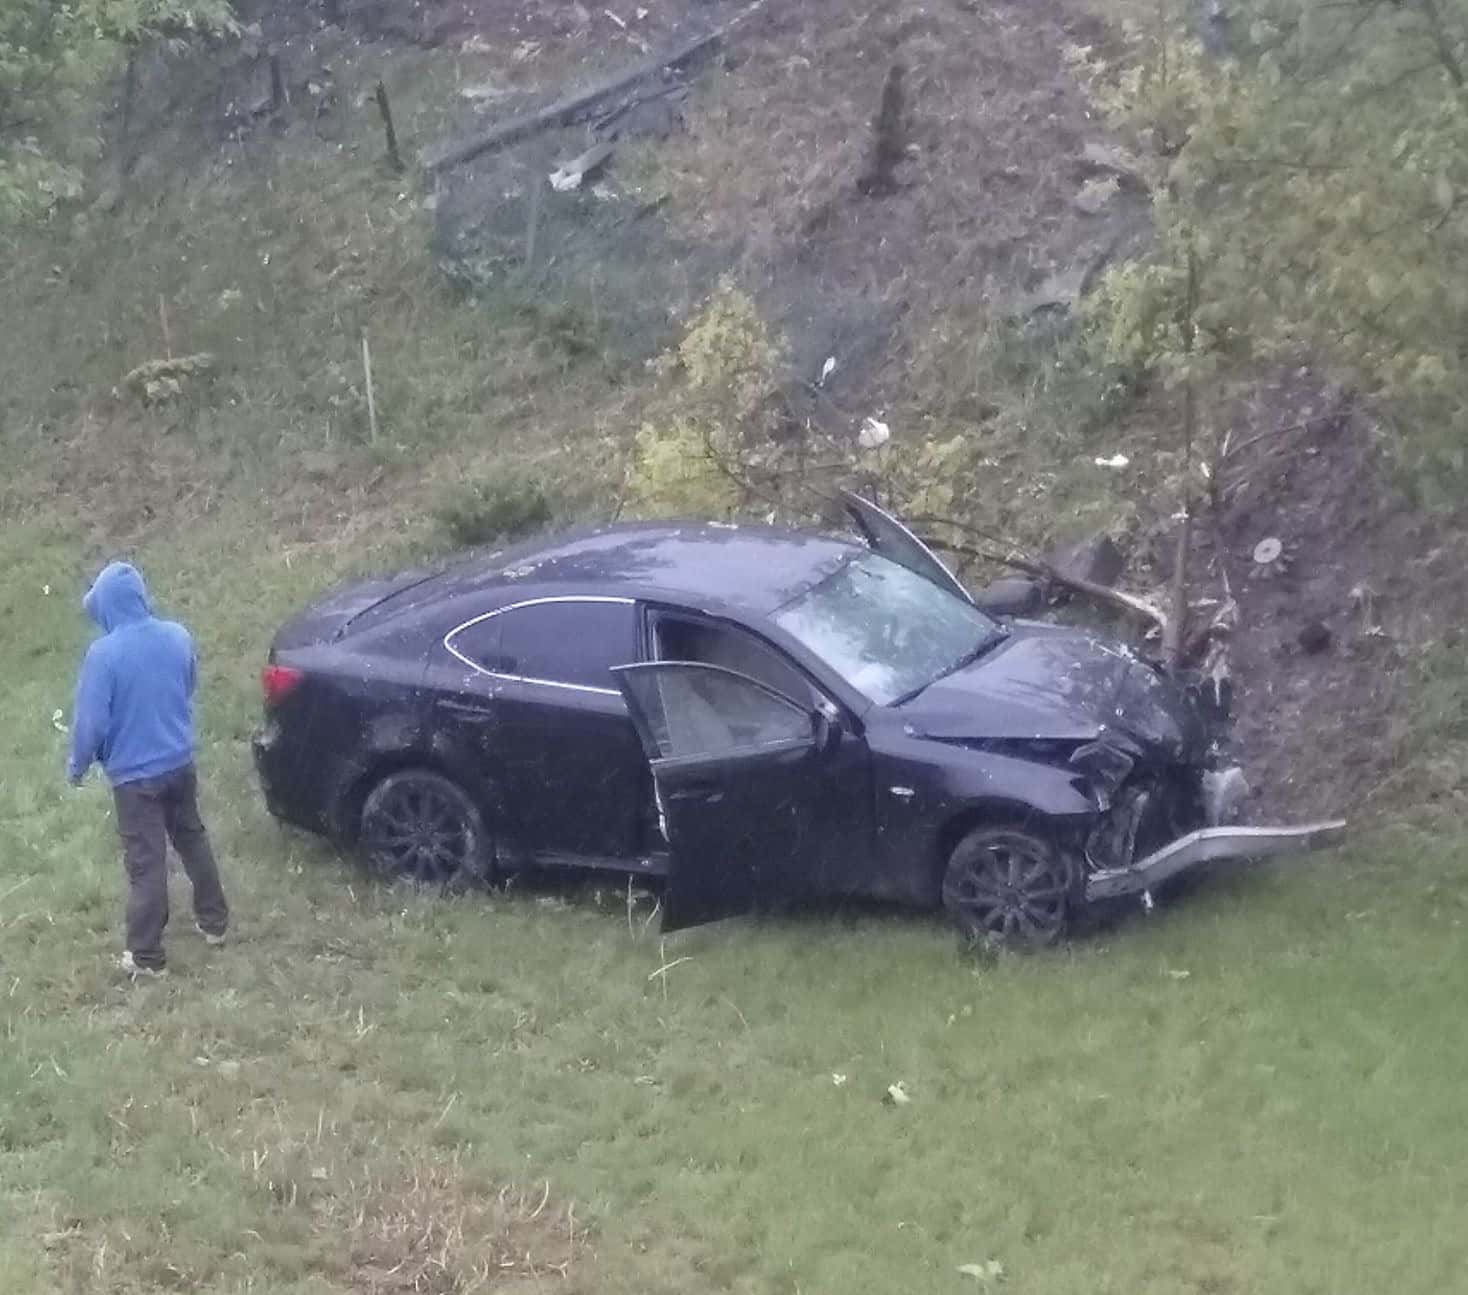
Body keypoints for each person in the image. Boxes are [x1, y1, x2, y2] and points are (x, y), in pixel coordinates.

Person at [67, 561, 229, 977]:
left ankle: (146, 956)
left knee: (147, 863)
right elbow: (186, 685)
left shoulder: (103, 655)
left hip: (135, 780)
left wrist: (78, 765)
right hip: (179, 762)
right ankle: (215, 923)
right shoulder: (177, 636)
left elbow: (92, 723)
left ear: (107, 607)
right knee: (192, 839)